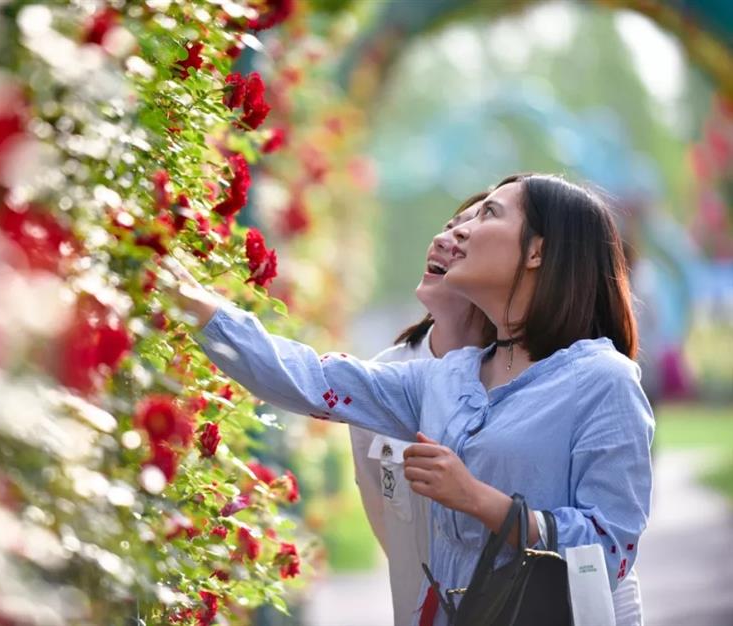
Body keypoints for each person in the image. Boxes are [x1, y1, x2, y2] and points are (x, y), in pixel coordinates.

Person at [168, 174, 654, 626]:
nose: (460, 232)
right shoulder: (442, 379)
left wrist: (479, 500)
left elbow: (610, 549)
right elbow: (313, 380)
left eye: (488, 215)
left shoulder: (602, 381)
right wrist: (200, 308)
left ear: (537, 253)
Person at [349, 191, 494, 626]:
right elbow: (388, 520)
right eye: (451, 225)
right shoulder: (383, 378)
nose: (445, 238)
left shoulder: (526, 376)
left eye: (467, 235)